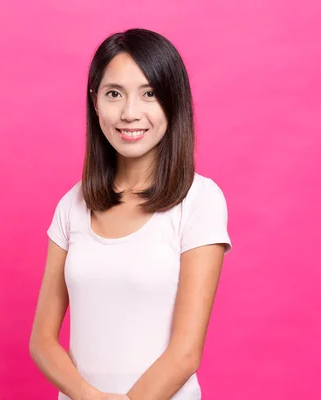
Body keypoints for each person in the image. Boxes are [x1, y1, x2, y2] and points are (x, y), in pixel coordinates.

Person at [29, 28, 232, 400]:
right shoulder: (71, 206)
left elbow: (185, 354)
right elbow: (42, 340)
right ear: (95, 102)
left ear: (174, 102)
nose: (129, 113)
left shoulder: (200, 200)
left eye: (149, 94)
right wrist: (88, 396)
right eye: (114, 94)